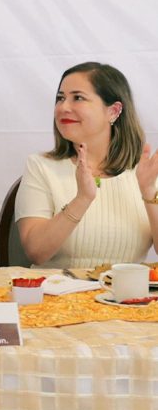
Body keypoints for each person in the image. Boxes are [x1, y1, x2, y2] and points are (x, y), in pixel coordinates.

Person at [14, 62, 158, 268]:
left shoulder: (147, 172)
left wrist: (149, 192)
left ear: (114, 111)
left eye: (78, 98)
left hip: (126, 289)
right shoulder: (40, 166)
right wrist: (82, 199)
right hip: (56, 289)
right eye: (60, 98)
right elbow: (36, 251)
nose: (63, 107)